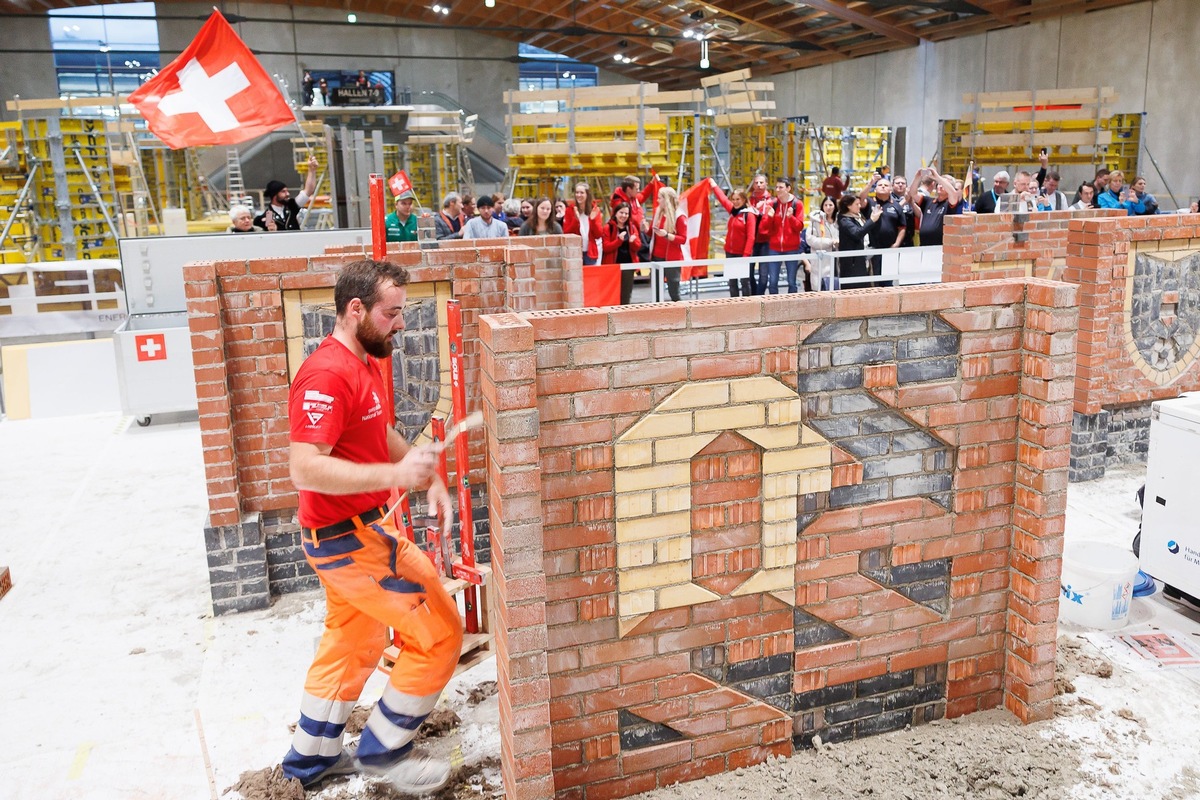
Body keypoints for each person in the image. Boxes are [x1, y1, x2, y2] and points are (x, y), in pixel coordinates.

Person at [281, 258, 460, 794]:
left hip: (347, 535)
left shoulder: (361, 362)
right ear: (355, 309)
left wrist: (426, 479)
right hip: (350, 540)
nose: (399, 323)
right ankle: (383, 754)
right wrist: (396, 474)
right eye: (391, 313)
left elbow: (377, 433)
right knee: (440, 633)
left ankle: (310, 760)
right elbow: (303, 466)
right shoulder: (327, 373)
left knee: (351, 644)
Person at [711, 180, 756, 297]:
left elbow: (751, 237)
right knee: (732, 282)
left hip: (742, 254)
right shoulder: (733, 211)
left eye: (738, 199)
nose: (735, 202)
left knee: (744, 282)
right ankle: (734, 305)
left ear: (744, 200)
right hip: (730, 252)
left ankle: (747, 305)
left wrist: (746, 255)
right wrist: (714, 185)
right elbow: (722, 199)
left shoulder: (749, 215)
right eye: (733, 199)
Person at [761, 178, 805, 294]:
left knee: (792, 282)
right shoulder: (773, 204)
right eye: (776, 187)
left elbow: (799, 227)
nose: (777, 190)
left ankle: (792, 307)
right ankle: (773, 308)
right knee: (773, 282)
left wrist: (791, 217)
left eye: (781, 187)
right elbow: (765, 229)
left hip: (792, 248)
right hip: (774, 248)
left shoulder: (797, 204)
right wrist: (769, 217)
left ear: (788, 188)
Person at [255, 156, 319, 231]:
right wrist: (271, 227)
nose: (287, 194)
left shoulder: (292, 206)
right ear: (274, 195)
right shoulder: (269, 214)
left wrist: (312, 170)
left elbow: (308, 191)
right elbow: (270, 230)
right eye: (283, 192)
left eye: (287, 191)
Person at [649, 186, 687, 302]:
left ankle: (681, 316)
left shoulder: (679, 216)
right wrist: (646, 229)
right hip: (656, 257)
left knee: (674, 293)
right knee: (656, 292)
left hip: (672, 259)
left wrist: (666, 235)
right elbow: (653, 233)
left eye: (660, 198)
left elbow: (683, 239)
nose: (657, 201)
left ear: (666, 199)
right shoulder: (658, 213)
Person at [837, 193, 882, 287]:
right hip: (852, 262)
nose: (859, 206)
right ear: (849, 206)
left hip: (863, 258)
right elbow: (857, 233)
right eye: (856, 204)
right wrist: (872, 220)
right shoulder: (844, 220)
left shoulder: (858, 216)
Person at [600, 202, 642, 305]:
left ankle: (625, 313)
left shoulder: (631, 227)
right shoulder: (608, 227)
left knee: (626, 293)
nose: (624, 216)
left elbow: (638, 246)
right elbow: (606, 247)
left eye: (626, 214)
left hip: (628, 265)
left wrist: (633, 242)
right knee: (611, 292)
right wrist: (618, 241)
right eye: (621, 213)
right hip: (612, 265)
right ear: (615, 213)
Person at [909, 166, 961, 247]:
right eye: (939, 184)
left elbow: (953, 193)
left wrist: (938, 177)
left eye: (943, 184)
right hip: (924, 245)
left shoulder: (950, 203)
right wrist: (917, 177)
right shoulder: (928, 201)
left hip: (941, 247)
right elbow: (913, 193)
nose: (940, 186)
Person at [562, 182, 603, 265]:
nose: (578, 195)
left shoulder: (595, 210)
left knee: (590, 277)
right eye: (577, 192)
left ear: (587, 194)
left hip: (590, 252)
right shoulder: (570, 210)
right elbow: (566, 232)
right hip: (575, 252)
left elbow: (598, 234)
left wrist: (593, 220)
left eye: (581, 193)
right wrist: (575, 220)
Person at [806, 195, 838, 291]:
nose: (828, 207)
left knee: (835, 287)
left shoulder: (839, 220)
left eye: (830, 205)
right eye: (826, 205)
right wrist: (830, 242)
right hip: (820, 259)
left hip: (836, 259)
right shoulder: (815, 220)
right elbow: (809, 239)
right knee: (819, 288)